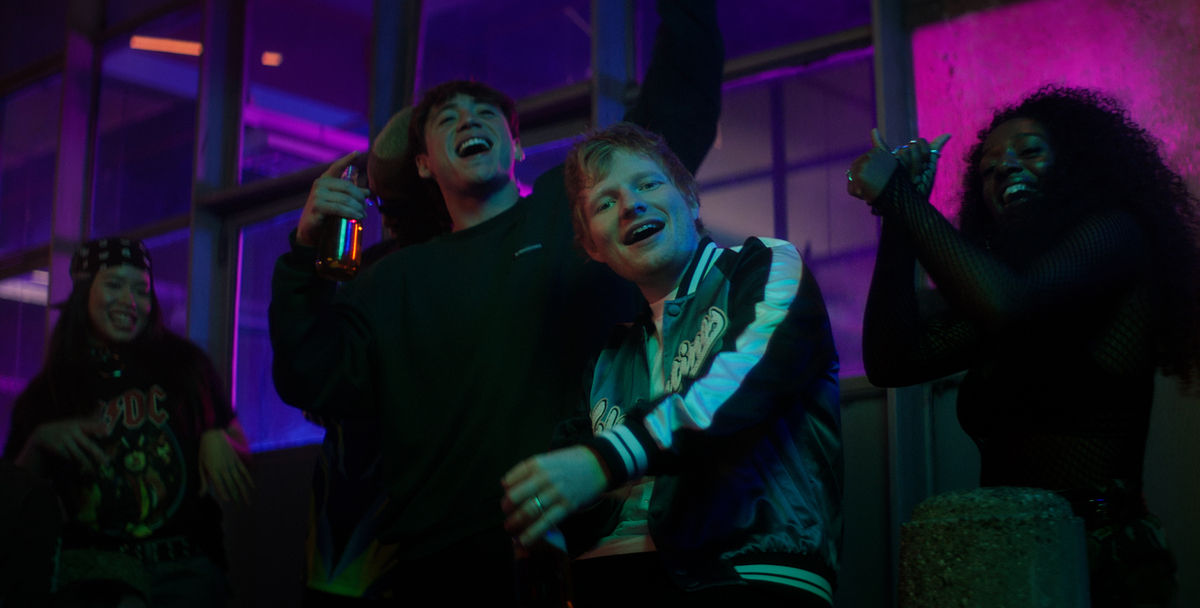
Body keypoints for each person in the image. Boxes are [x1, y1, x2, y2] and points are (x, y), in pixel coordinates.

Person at [268, 1, 723, 603]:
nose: (468, 120)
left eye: (485, 114)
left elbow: (673, 112)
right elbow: (310, 375)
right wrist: (304, 254)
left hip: (584, 530)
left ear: (517, 147)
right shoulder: (388, 282)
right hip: (436, 560)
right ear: (424, 164)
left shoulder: (574, 217)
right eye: (447, 118)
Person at [851, 86, 1197, 607]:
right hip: (1009, 554)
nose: (1006, 168)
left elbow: (1011, 303)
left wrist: (898, 195)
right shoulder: (1008, 289)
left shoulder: (1116, 234)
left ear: (1078, 166)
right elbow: (892, 360)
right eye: (988, 169)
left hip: (1102, 563)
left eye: (1030, 151)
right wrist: (901, 220)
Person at [499, 123, 843, 608]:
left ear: (691, 199)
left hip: (743, 570)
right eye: (605, 203)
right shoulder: (608, 361)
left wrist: (605, 460)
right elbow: (569, 499)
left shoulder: (765, 264)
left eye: (647, 184)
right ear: (593, 247)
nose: (630, 205)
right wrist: (541, 510)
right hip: (604, 580)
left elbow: (744, 385)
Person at [3, 238, 253, 608]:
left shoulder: (184, 364)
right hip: (95, 573)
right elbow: (11, 504)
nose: (130, 301)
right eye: (115, 285)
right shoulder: (47, 393)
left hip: (184, 565)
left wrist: (218, 436)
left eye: (141, 289)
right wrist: (39, 441)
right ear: (84, 292)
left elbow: (241, 454)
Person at [301, 117, 452, 607]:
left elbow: (314, 392)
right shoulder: (377, 271)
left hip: (355, 530)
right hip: (387, 519)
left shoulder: (364, 270)